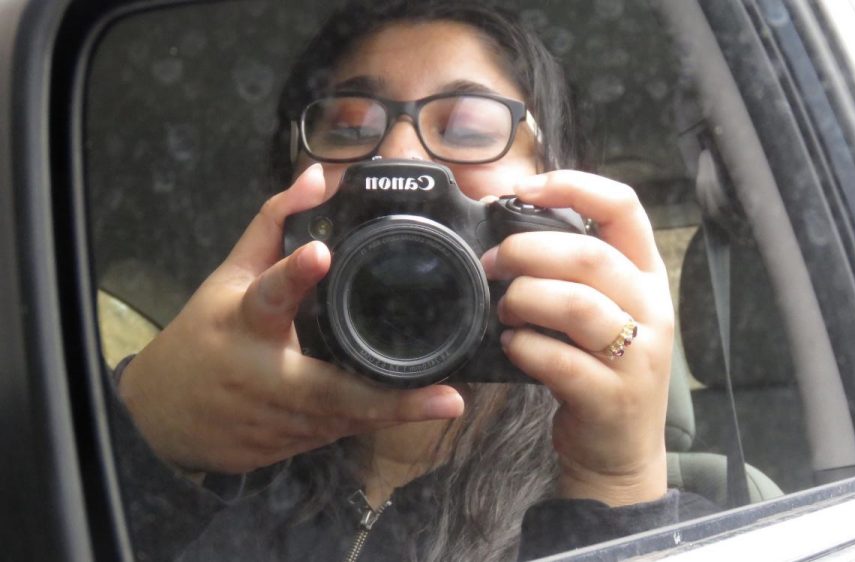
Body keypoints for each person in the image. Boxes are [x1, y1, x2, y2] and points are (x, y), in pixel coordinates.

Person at [107, 1, 717, 560]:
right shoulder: (214, 468)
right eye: (347, 129)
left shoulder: (685, 520)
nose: (399, 155)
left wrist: (613, 489)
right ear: (289, 196)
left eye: (471, 129)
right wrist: (142, 433)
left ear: (555, 197)